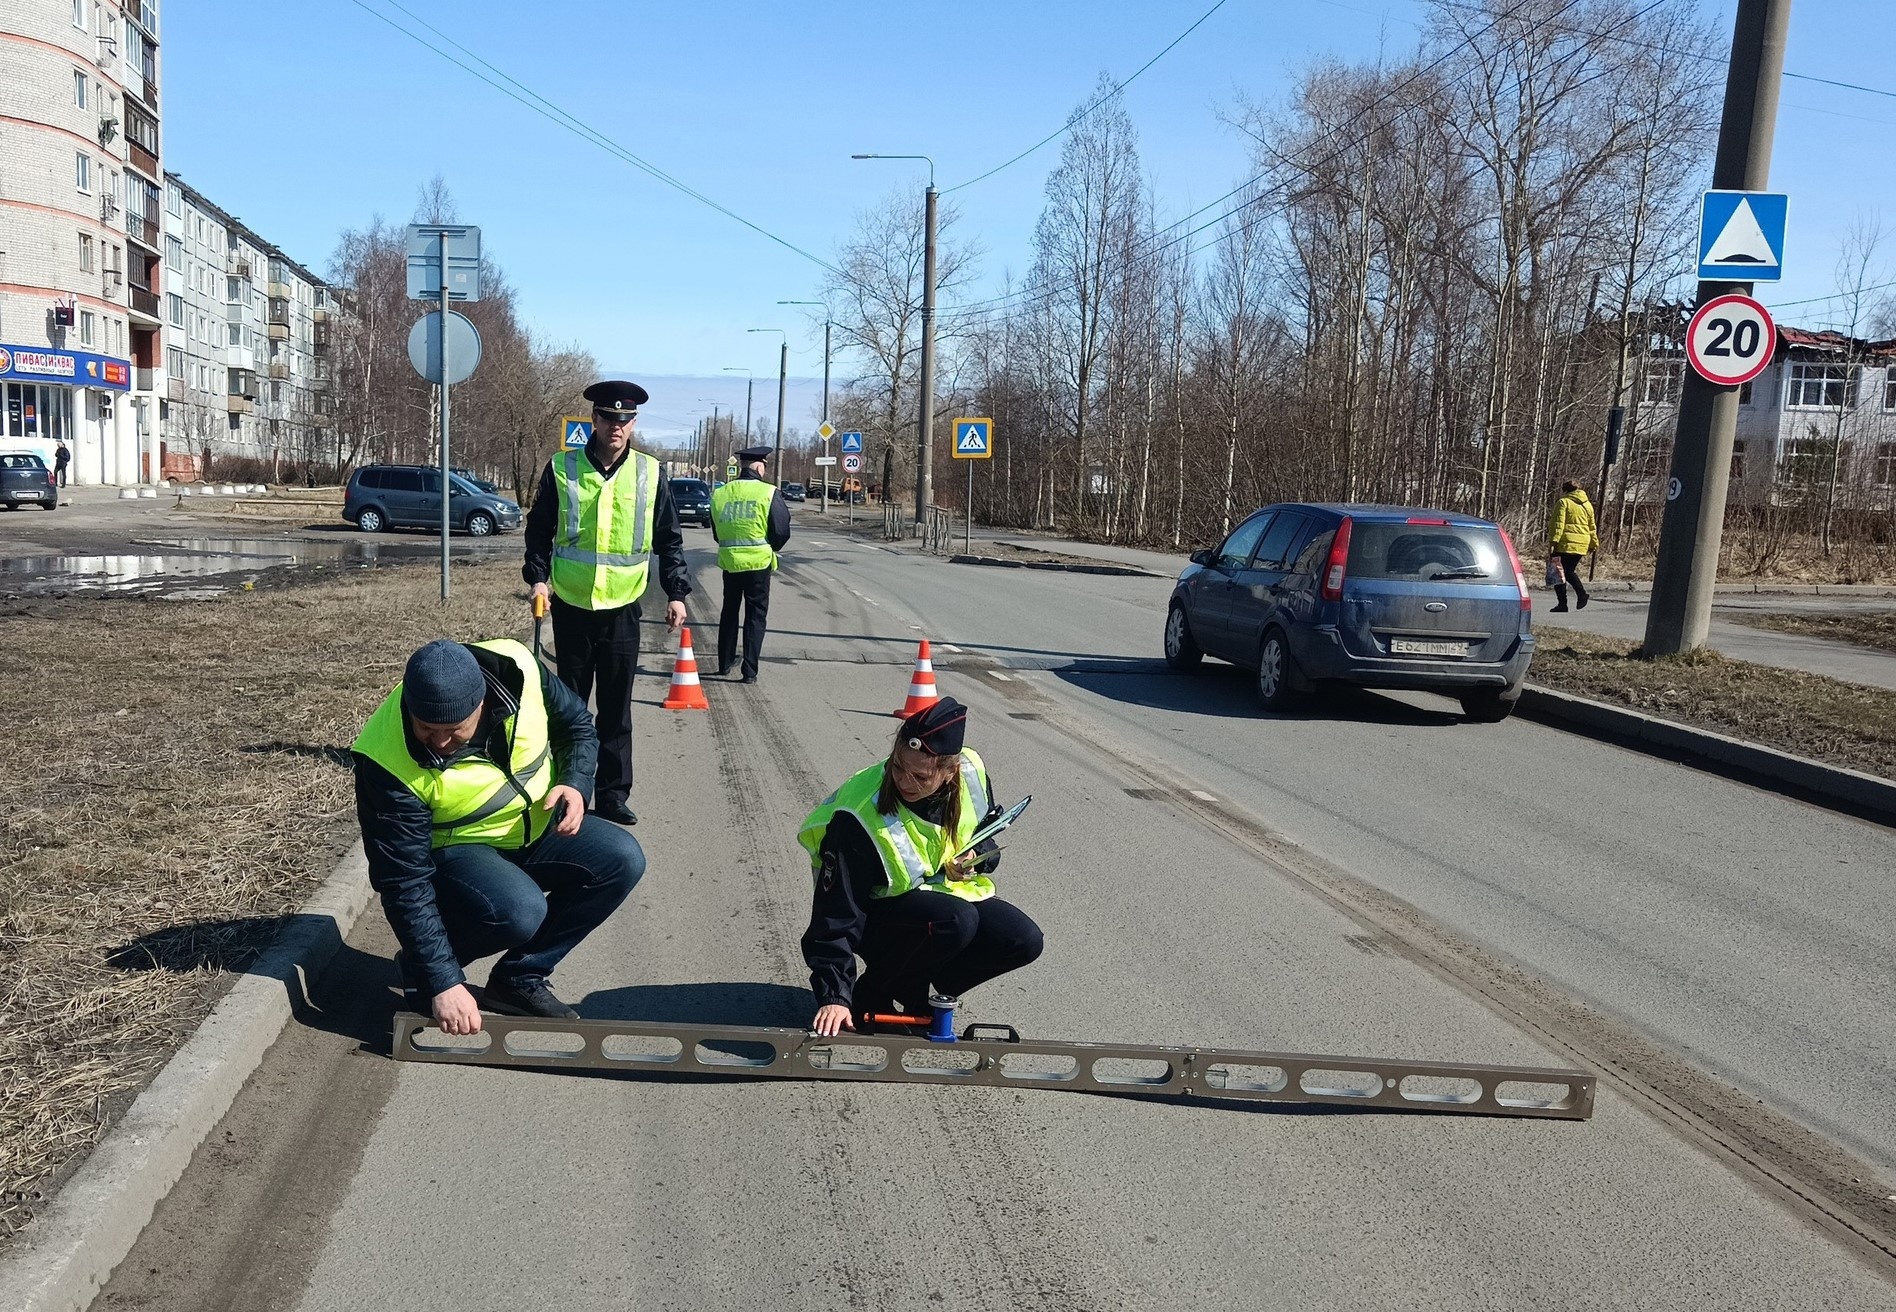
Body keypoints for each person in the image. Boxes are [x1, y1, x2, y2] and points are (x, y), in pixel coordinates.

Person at [352, 638, 645, 1034]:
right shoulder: (384, 761)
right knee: (519, 910)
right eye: (425, 729)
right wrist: (443, 981)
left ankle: (517, 980)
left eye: (454, 731)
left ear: (483, 704)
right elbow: (402, 880)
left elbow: (575, 725)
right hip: (457, 851)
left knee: (621, 858)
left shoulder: (521, 669)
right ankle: (423, 971)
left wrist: (574, 782)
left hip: (535, 827)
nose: (439, 743)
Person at [797, 697, 1043, 1037]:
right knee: (957, 920)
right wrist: (834, 994)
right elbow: (835, 911)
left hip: (934, 901)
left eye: (920, 776)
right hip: (875, 918)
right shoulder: (859, 818)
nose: (904, 782)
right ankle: (869, 993)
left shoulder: (969, 769)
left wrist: (977, 856)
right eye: (898, 767)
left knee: (1022, 939)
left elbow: (985, 825)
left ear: (949, 771)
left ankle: (915, 991)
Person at [523, 380, 691, 827]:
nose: (616, 426)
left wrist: (676, 592)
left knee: (616, 709)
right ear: (593, 421)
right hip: (573, 606)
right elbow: (538, 531)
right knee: (571, 706)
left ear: (633, 424)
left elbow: (669, 540)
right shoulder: (562, 468)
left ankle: (613, 796)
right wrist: (538, 580)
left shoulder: (650, 472)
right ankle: (567, 787)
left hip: (622, 609)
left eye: (624, 419)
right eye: (608, 418)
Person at [709, 444, 791, 683]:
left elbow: (716, 531)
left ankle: (724, 663)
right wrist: (770, 547)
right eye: (764, 465)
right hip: (758, 564)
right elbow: (781, 529)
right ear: (759, 465)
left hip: (730, 562)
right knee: (755, 616)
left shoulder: (721, 493)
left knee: (729, 612)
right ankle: (750, 671)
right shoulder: (768, 492)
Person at [1546, 478, 1600, 612]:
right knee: (1568, 571)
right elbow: (1592, 527)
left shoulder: (1563, 502)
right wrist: (1594, 542)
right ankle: (1575, 597)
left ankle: (1569, 600)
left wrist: (1553, 542)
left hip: (1565, 543)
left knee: (1560, 573)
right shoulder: (1587, 505)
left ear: (1565, 490)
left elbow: (1558, 525)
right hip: (1582, 544)